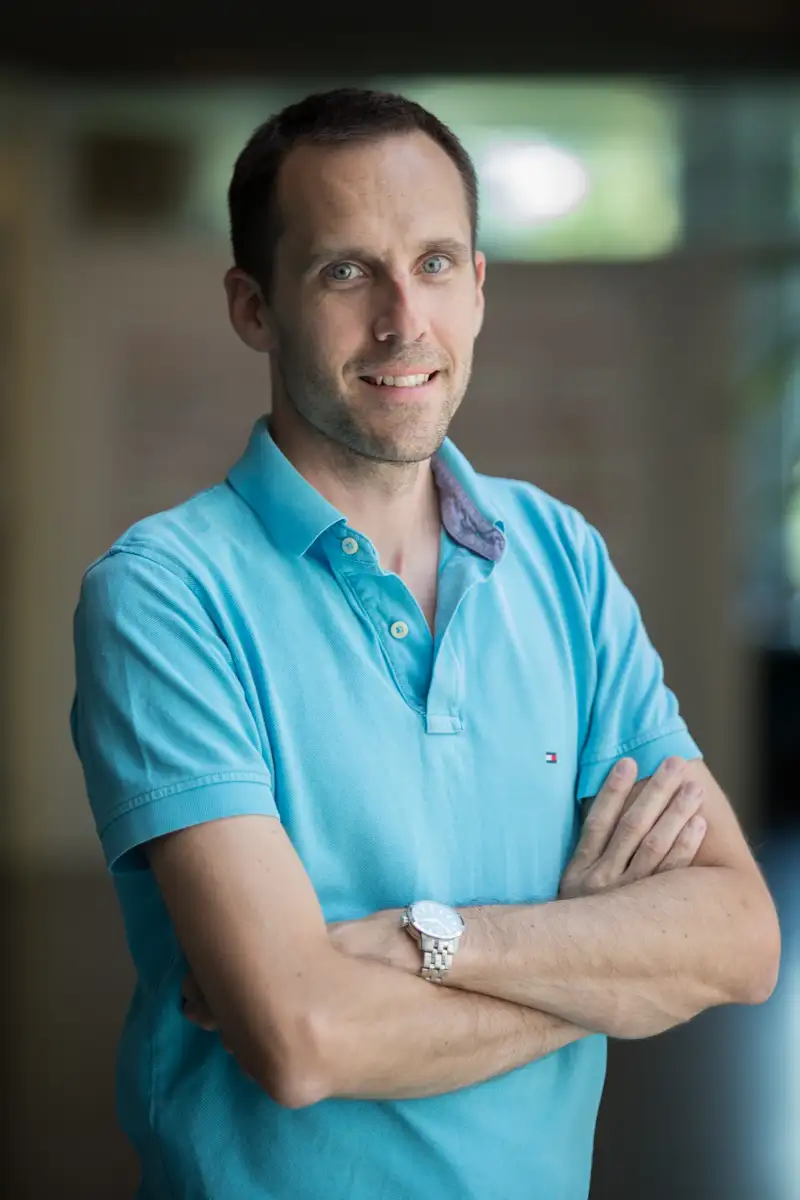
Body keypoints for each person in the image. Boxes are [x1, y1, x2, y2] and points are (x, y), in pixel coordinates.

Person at [70, 88, 780, 1200]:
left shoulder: (560, 557)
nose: (405, 322)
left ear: (479, 287)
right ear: (253, 307)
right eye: (345, 272)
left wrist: (418, 943)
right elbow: (302, 1039)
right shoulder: (164, 596)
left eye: (437, 263)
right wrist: (601, 963)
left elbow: (736, 940)